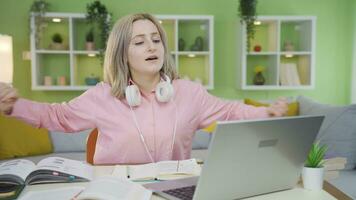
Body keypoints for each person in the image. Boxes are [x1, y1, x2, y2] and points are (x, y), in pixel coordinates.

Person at [0, 13, 288, 165]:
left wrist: (267, 112)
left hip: (173, 191)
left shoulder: (189, 93)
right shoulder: (102, 95)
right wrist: (14, 106)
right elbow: (57, 116)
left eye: (156, 39)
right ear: (122, 53)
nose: (151, 46)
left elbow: (232, 110)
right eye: (139, 42)